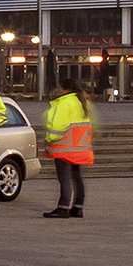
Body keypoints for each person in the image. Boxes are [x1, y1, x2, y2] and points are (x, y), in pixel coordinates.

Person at [40, 76, 94, 216]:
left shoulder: (64, 104)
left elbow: (57, 127)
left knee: (64, 178)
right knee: (77, 177)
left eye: (59, 88)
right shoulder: (82, 102)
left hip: (64, 148)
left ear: (66, 90)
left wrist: (49, 140)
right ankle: (78, 206)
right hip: (80, 147)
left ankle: (63, 207)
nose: (57, 91)